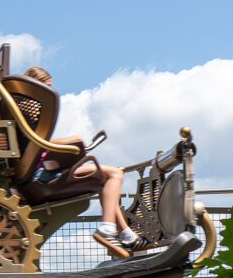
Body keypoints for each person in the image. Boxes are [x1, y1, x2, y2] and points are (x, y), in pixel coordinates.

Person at [22, 66, 148, 255]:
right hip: (41, 176)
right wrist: (71, 142)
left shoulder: (22, 110)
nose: (50, 93)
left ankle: (127, 235)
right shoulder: (29, 112)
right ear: (38, 87)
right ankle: (107, 230)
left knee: (105, 183)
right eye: (47, 88)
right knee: (114, 173)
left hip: (38, 172)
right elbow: (39, 143)